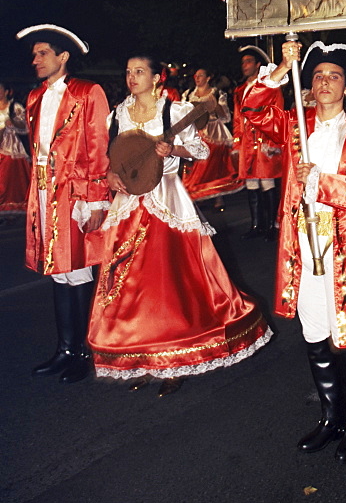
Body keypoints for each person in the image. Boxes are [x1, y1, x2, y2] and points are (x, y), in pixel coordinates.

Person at [241, 39, 346, 463]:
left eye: (334, 76)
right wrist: (280, 70)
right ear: (308, 85)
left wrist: (322, 181)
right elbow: (254, 110)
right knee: (314, 333)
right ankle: (331, 417)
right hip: (302, 247)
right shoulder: (294, 123)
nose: (324, 82)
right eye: (317, 76)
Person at [86, 55, 271, 394]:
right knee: (130, 287)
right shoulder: (116, 115)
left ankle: (173, 358)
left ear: (156, 78)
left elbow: (200, 150)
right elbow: (106, 159)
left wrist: (174, 149)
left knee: (168, 285)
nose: (132, 77)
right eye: (128, 72)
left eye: (139, 71)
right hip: (128, 204)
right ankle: (141, 356)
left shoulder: (174, 110)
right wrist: (110, 176)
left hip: (166, 200)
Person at [16, 23, 110, 384]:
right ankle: (65, 348)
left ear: (63, 56)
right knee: (57, 270)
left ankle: (85, 351)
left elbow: (98, 146)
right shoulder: (34, 97)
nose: (35, 60)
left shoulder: (88, 92)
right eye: (35, 54)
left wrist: (94, 198)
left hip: (75, 193)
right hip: (43, 192)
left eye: (42, 53)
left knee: (78, 270)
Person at [233, 46, 283, 240]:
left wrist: (271, 140)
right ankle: (256, 225)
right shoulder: (239, 90)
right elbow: (237, 118)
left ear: (258, 65)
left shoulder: (269, 86)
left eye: (248, 62)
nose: (244, 66)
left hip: (263, 139)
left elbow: (277, 113)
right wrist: (237, 143)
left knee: (267, 182)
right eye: (243, 62)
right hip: (247, 142)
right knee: (251, 183)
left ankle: (271, 225)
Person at [182, 68, 239, 206]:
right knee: (192, 164)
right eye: (196, 75)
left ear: (208, 78)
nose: (197, 77)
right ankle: (192, 194)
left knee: (211, 164)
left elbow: (225, 117)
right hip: (194, 131)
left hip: (213, 130)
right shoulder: (188, 94)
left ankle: (216, 195)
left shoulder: (217, 93)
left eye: (201, 75)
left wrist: (214, 106)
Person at [0, 80, 31, 214]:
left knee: (9, 178)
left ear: (6, 92)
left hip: (12, 148)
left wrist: (11, 122)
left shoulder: (14, 107)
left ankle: (11, 206)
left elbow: (25, 127)